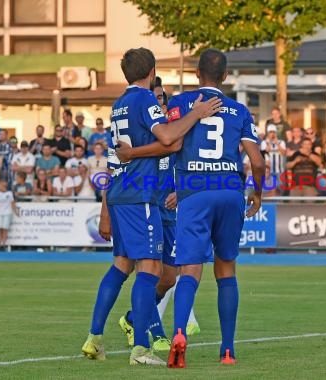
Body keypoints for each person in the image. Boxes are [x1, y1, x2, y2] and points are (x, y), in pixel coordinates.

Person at [80, 47, 221, 365]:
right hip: (140, 195)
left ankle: (95, 338)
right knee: (150, 269)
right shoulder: (144, 100)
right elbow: (170, 136)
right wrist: (196, 115)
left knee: (123, 265)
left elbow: (124, 156)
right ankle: (140, 347)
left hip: (123, 192)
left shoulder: (118, 105)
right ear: (152, 71)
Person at [163, 48, 264, 368]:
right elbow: (258, 162)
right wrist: (257, 193)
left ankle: (179, 335)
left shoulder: (180, 103)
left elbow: (171, 142)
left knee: (189, 270)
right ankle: (228, 350)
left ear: (197, 74)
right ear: (225, 76)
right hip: (230, 192)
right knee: (226, 271)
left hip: (195, 193)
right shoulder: (239, 111)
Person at [115, 77, 201, 351]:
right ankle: (153, 333)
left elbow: (188, 162)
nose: (159, 103)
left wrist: (183, 190)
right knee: (146, 271)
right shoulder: (147, 132)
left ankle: (132, 318)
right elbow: (115, 165)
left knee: (168, 277)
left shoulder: (174, 129)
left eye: (161, 98)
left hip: (171, 211)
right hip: (147, 207)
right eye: (155, 99)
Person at [0, 178, 19, 251]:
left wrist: (16, 211)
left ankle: (3, 244)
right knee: (0, 228)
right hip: (0, 213)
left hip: (7, 213)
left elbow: (12, 203)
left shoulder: (9, 193)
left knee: (5, 229)